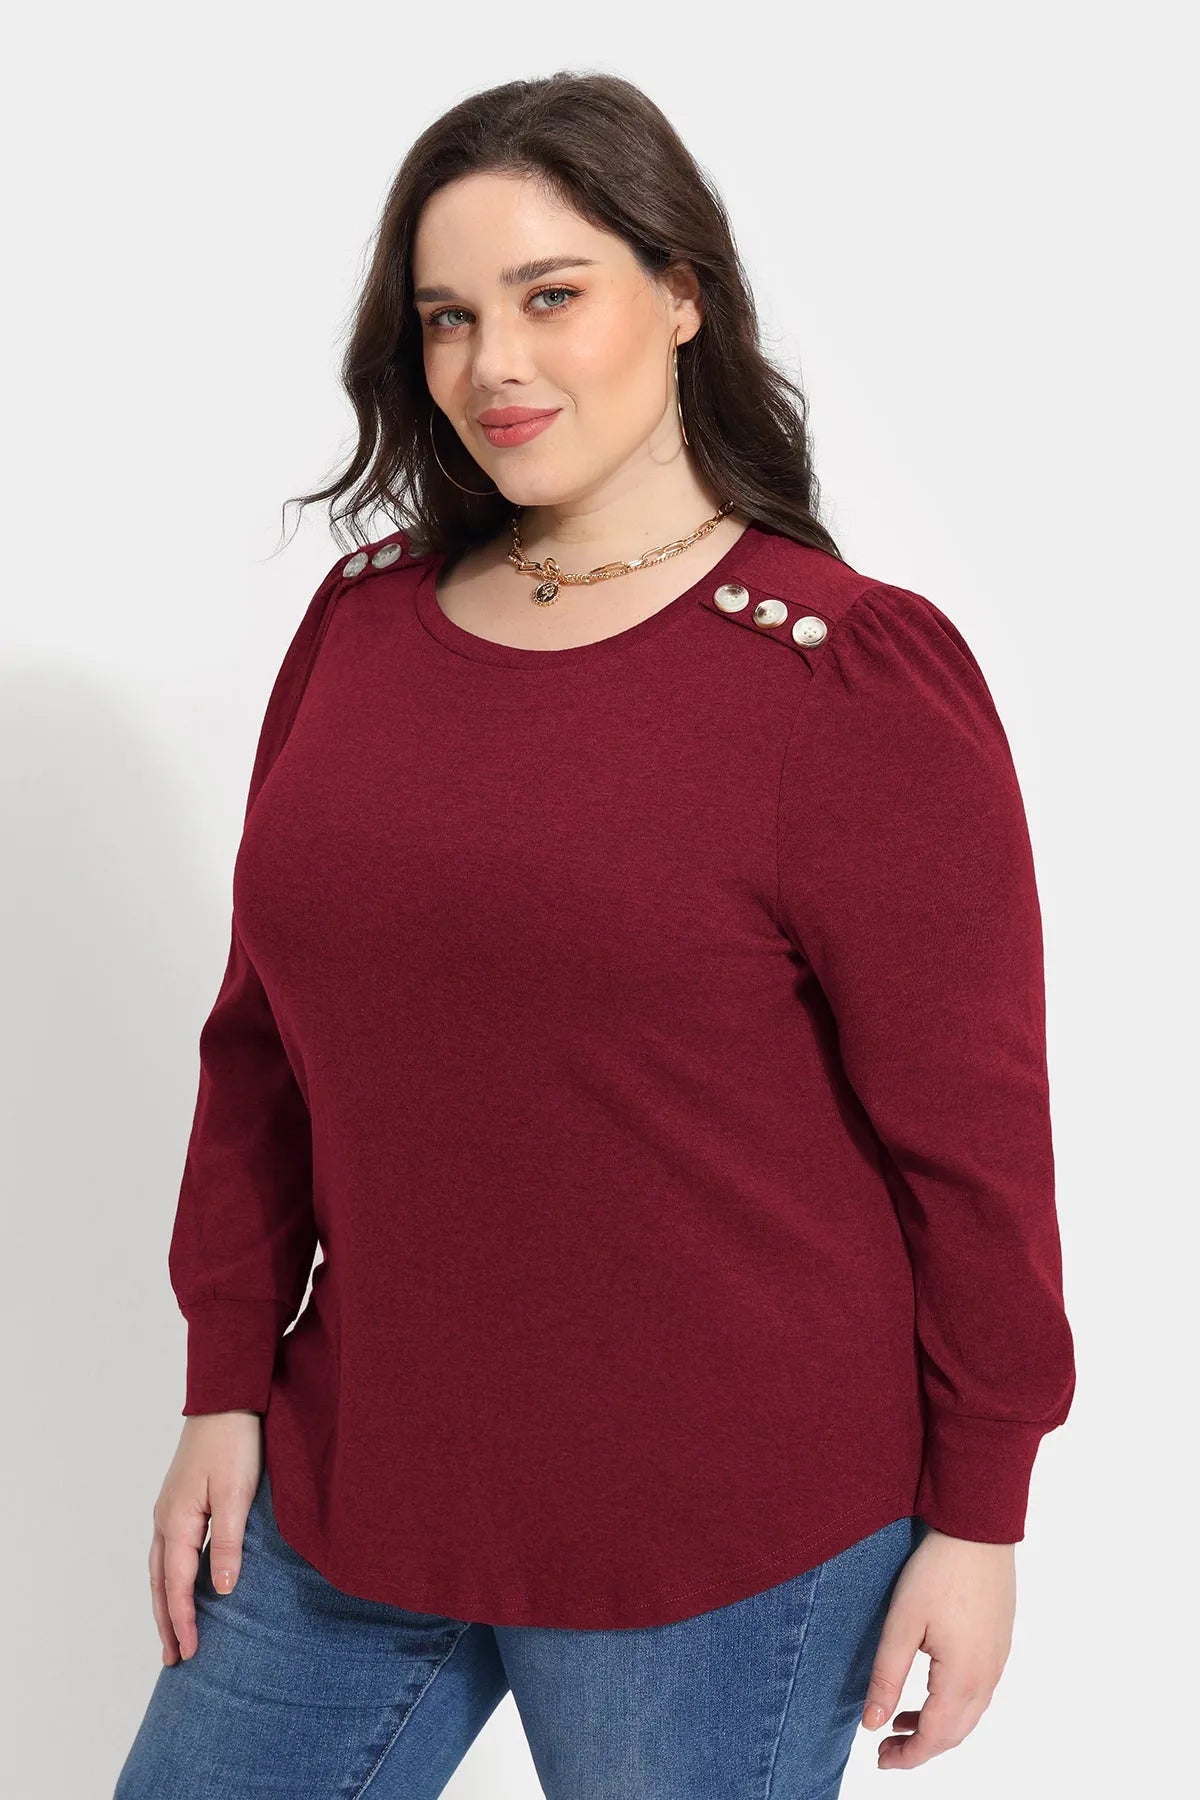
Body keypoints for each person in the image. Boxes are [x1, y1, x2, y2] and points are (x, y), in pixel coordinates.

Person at [114, 69, 1075, 1800]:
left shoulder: (840, 675)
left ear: (681, 294)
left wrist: (982, 1514)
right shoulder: (364, 626)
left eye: (552, 296)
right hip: (359, 1473)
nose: (496, 363)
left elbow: (976, 1140)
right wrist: (223, 1384)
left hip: (722, 1527)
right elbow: (262, 1039)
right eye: (449, 317)